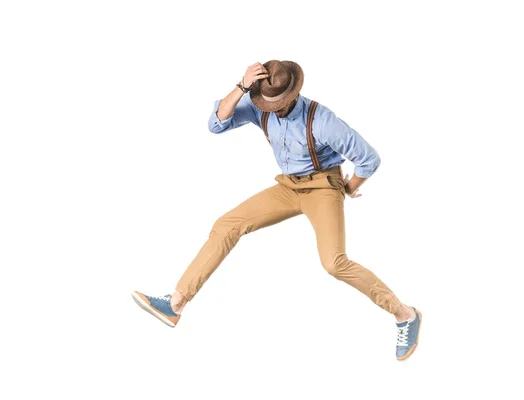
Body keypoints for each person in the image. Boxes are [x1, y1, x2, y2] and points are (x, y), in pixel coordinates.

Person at [132, 60, 422, 361]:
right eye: (265, 101)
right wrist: (242, 86)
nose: (271, 108)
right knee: (227, 224)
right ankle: (176, 303)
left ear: (293, 95)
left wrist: (348, 187)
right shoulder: (260, 106)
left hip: (323, 188)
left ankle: (405, 314)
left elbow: (368, 159)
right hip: (287, 187)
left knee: (334, 263)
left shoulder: (322, 121)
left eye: (278, 103)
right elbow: (216, 124)